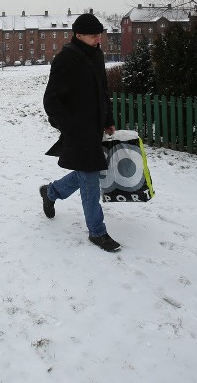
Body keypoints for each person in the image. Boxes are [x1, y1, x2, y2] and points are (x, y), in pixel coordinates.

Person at [41, 13, 120, 252]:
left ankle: (51, 192)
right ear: (78, 35)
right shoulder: (65, 59)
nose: (99, 39)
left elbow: (102, 90)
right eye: (94, 35)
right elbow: (51, 100)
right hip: (78, 131)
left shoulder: (96, 55)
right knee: (90, 180)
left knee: (88, 174)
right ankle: (97, 232)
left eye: (100, 35)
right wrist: (70, 126)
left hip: (95, 127)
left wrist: (108, 119)